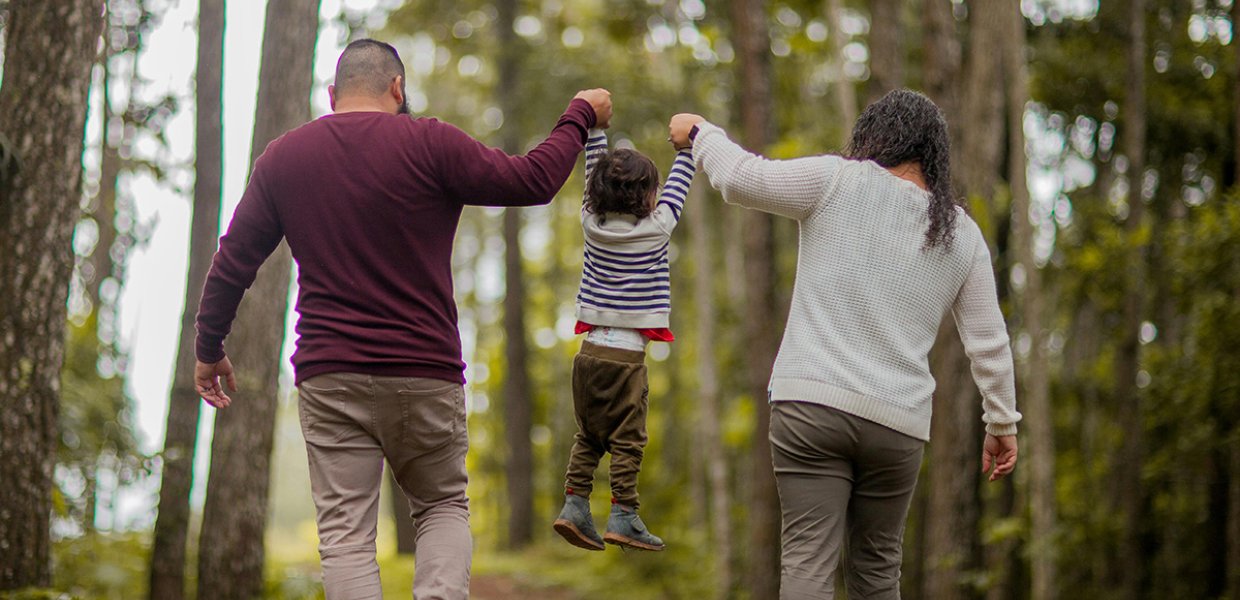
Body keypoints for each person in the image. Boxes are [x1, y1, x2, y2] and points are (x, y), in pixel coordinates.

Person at [192, 38, 612, 600]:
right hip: (425, 372)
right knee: (441, 506)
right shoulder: (430, 142)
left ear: (331, 94)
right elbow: (533, 181)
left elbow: (233, 260)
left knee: (345, 536)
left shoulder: (285, 157)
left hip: (330, 373)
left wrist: (209, 346)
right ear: (398, 88)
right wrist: (579, 114)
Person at [668, 89, 1021, 599]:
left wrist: (701, 131)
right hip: (897, 425)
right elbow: (989, 342)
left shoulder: (836, 179)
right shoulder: (961, 234)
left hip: (811, 406)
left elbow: (740, 178)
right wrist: (1002, 422)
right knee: (878, 574)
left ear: (875, 137)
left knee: (808, 563)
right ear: (934, 156)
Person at [550, 126, 696, 552]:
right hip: (626, 359)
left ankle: (574, 504)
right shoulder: (658, 228)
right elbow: (681, 182)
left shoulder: (589, 224)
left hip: (589, 354)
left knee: (589, 436)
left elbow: (590, 172)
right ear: (648, 196)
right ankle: (623, 514)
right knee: (627, 440)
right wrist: (686, 147)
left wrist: (596, 130)